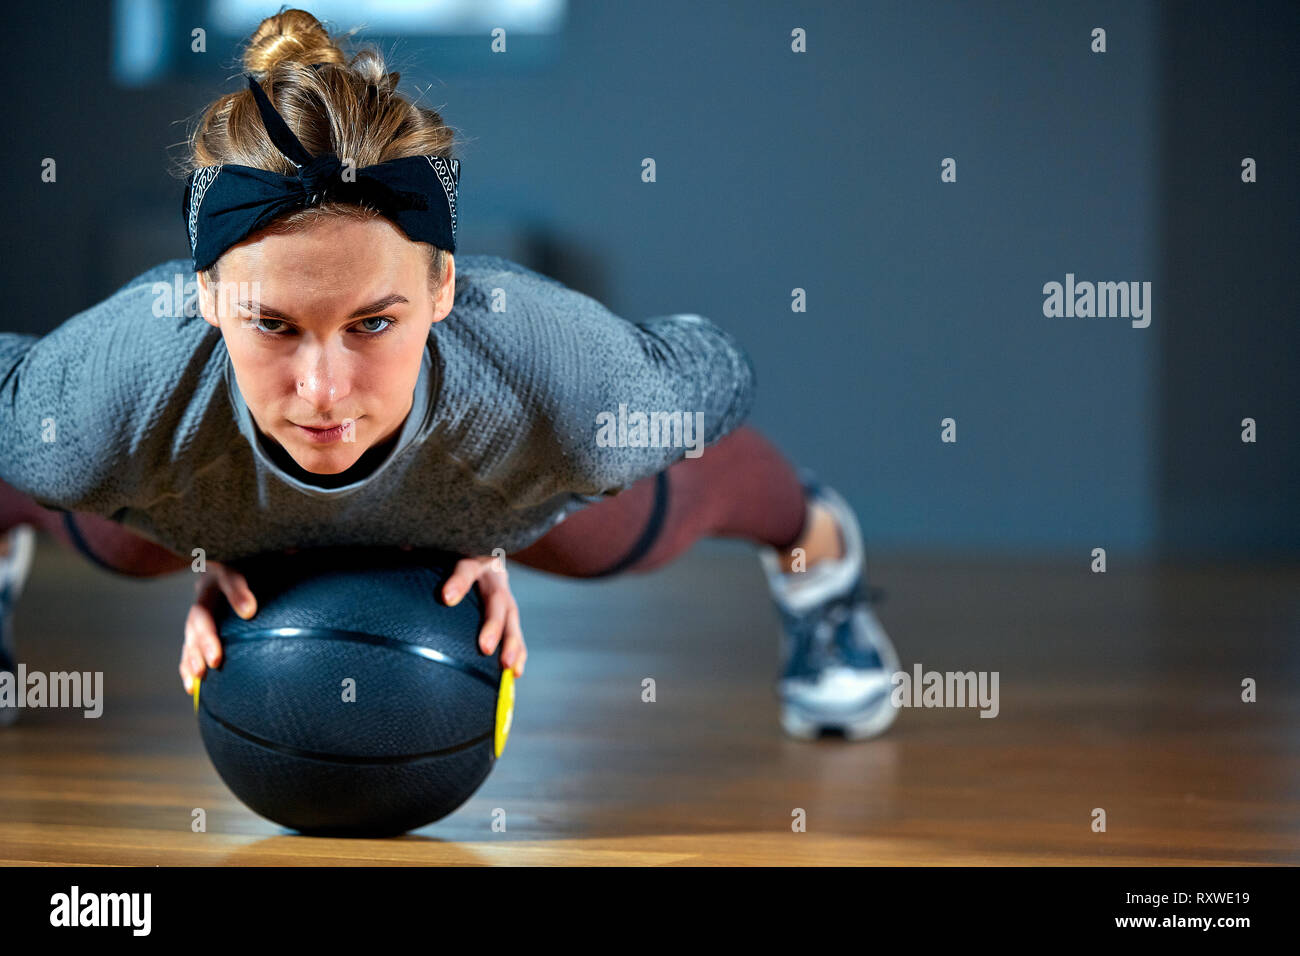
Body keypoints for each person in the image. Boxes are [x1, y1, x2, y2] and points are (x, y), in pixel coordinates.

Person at [0, 8, 897, 739]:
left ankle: (821, 561)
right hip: (199, 479)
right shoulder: (97, 403)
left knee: (605, 526)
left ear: (442, 289)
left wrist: (494, 505)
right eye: (272, 324)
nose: (324, 388)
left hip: (489, 478)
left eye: (374, 322)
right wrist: (209, 526)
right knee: (99, 511)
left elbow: (720, 368)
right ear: (204, 293)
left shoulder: (567, 388)